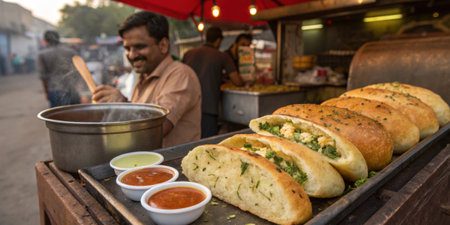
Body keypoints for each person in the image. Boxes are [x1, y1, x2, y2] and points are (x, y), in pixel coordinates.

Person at [92, 11, 201, 148]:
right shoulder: (143, 77)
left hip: (172, 166)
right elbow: (135, 123)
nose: (131, 55)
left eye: (140, 47)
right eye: (127, 48)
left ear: (163, 45)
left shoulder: (181, 74)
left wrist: (123, 105)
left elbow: (157, 129)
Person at [183, 27, 244, 138]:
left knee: (189, 143)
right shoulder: (221, 56)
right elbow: (237, 81)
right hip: (209, 108)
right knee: (208, 144)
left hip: (187, 107)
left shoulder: (188, 54)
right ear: (218, 40)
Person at [37, 30, 81, 107]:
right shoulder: (71, 52)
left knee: (58, 116)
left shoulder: (43, 55)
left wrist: (47, 93)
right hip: (71, 89)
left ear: (46, 40)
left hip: (55, 89)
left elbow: (43, 76)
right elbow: (78, 71)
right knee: (76, 115)